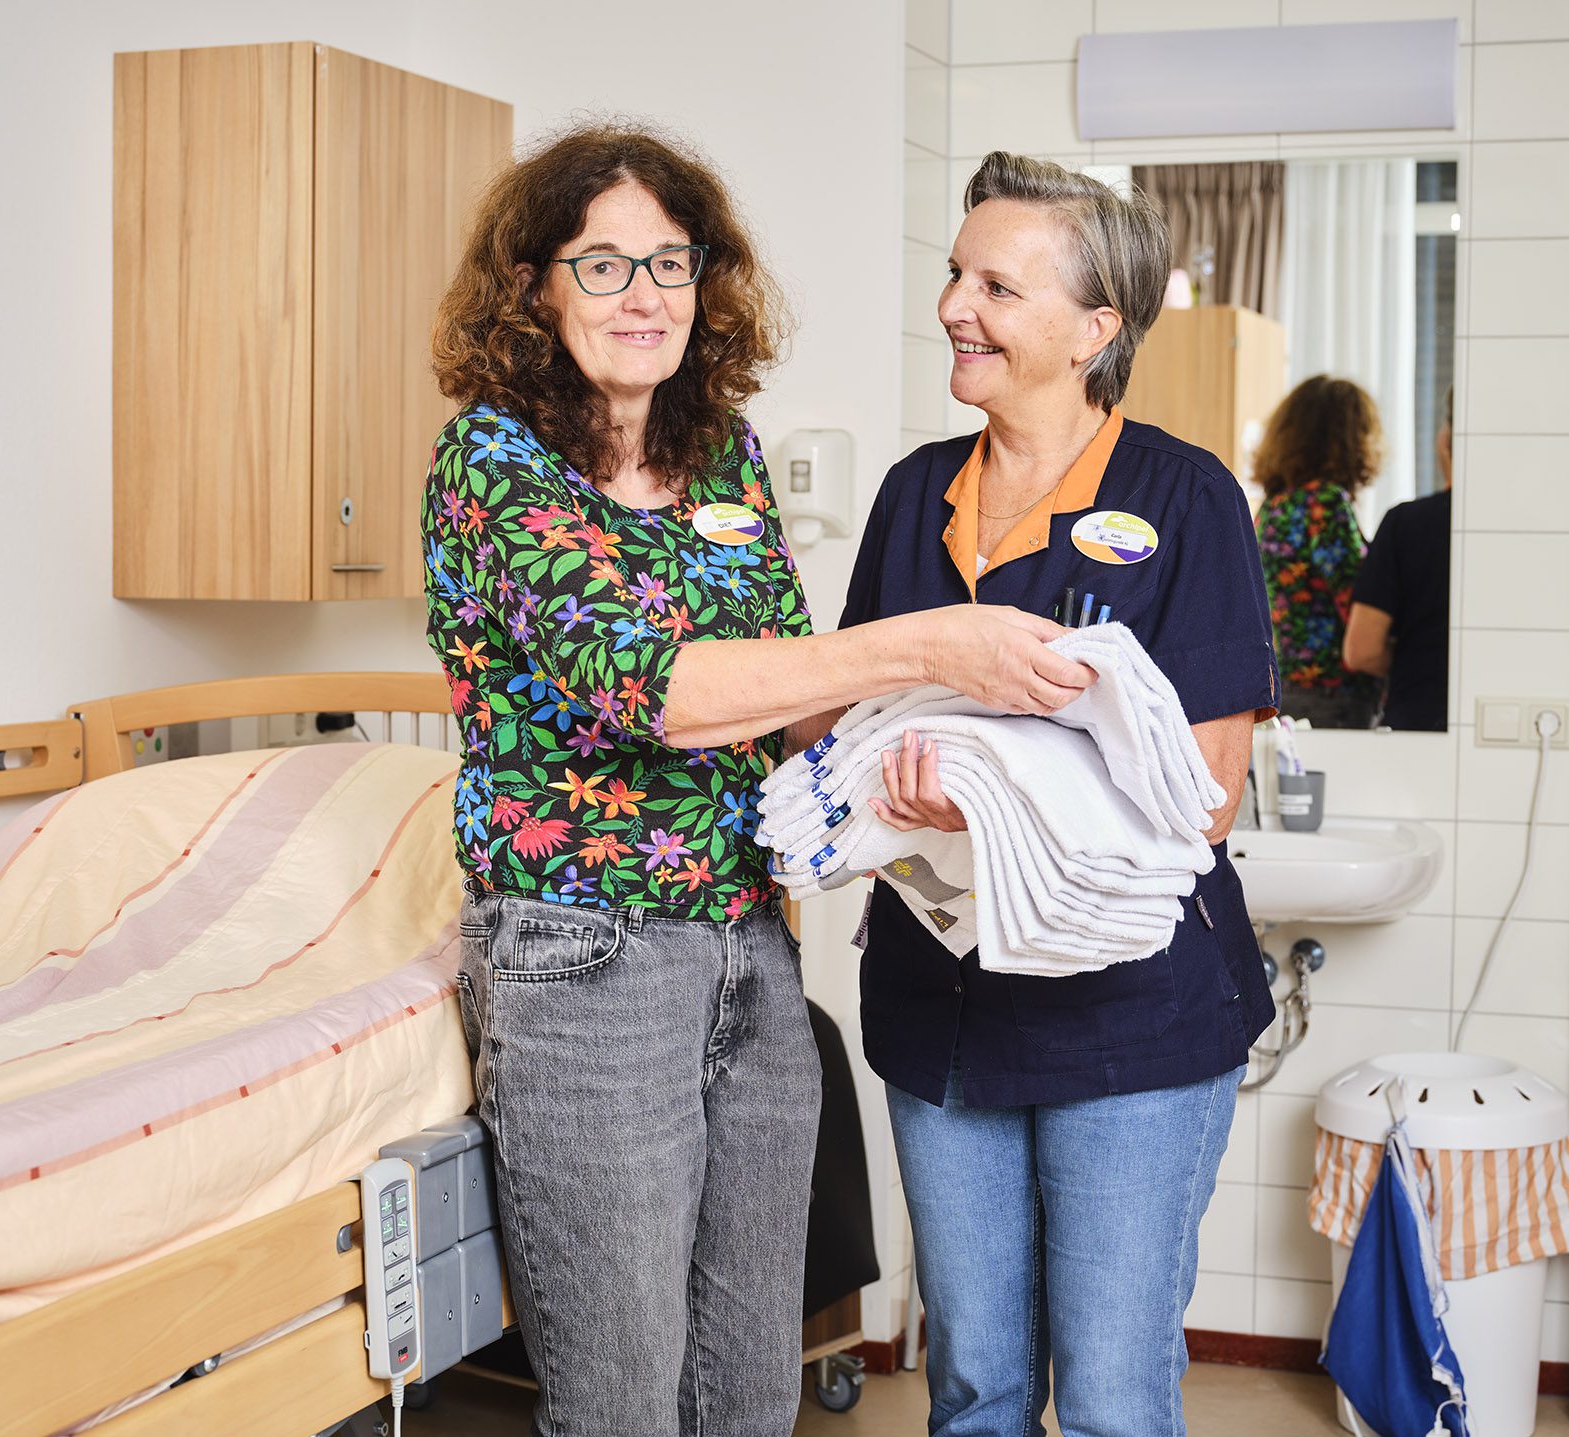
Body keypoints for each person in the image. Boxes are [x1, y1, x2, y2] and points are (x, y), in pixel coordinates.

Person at [420, 124, 1094, 1437]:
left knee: (743, 1392)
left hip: (751, 944)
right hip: (584, 955)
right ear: (533, 287)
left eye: (668, 264)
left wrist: (954, 773)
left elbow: (789, 693)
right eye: (601, 265)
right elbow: (649, 687)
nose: (642, 297)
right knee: (620, 1402)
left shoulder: (721, 456)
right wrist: (924, 640)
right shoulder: (493, 465)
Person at [838, 150, 1278, 1437]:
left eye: (995, 286)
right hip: (943, 1010)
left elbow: (1204, 799)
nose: (954, 309)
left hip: (1129, 1021)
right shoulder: (917, 491)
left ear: (1095, 330)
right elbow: (859, 720)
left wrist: (993, 788)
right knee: (971, 1388)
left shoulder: (1181, 496)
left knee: (1109, 1397)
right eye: (954, 275)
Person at [1251, 375, 1386, 728]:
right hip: (1334, 695)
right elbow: (1355, 601)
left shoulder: (1272, 508)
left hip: (1284, 688)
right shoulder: (1324, 505)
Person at [1345, 385, 1454, 730]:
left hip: (1416, 726)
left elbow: (1361, 649)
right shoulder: (1528, 538)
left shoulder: (1408, 525)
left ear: (1446, 440)